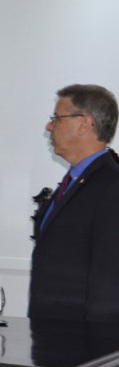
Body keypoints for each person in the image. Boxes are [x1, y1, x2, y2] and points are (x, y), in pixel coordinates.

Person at [29, 84, 119, 322]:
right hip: (50, 331)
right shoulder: (73, 182)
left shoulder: (112, 185)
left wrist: (100, 343)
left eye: (57, 118)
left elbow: (110, 278)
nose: (49, 126)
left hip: (82, 337)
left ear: (84, 124)